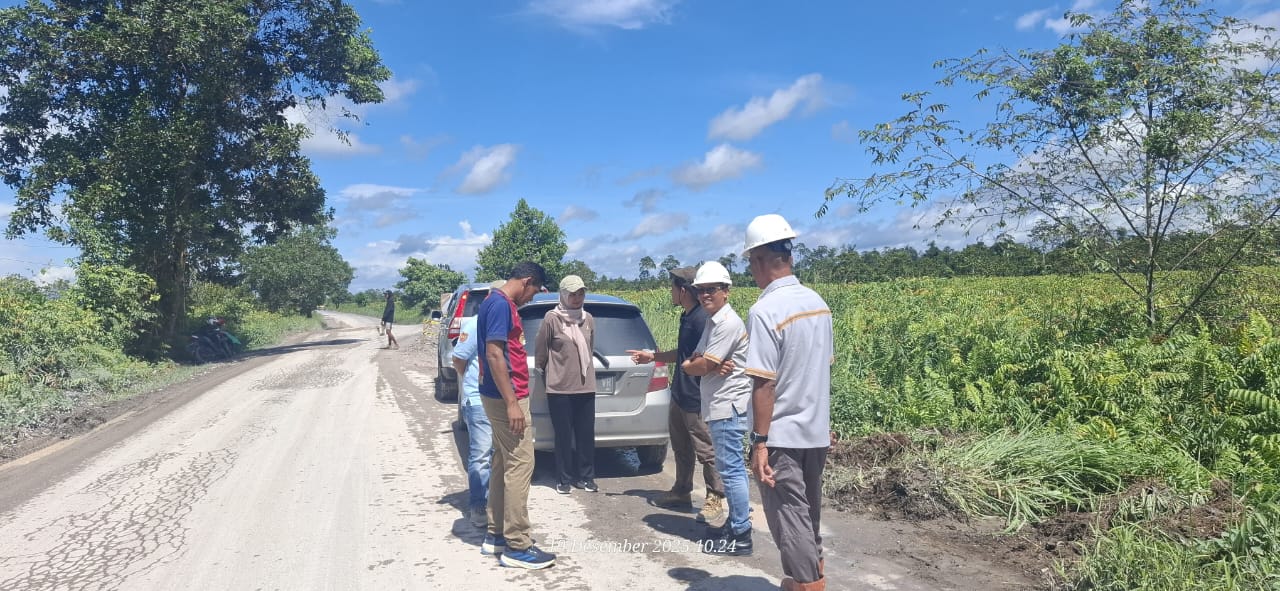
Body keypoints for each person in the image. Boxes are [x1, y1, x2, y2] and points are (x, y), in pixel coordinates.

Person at [743, 214, 834, 591]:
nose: (751, 270)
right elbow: (821, 369)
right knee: (807, 515)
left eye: (750, 262)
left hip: (782, 436)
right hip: (815, 433)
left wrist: (759, 442)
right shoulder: (817, 304)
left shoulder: (765, 310)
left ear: (761, 260)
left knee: (789, 519)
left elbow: (764, 384)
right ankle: (808, 580)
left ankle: (808, 585)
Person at [628, 267, 726, 524]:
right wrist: (653, 357)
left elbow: (710, 358)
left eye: (673, 288)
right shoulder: (688, 316)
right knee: (681, 447)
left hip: (696, 396)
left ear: (683, 291)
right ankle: (682, 491)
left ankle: (715, 497)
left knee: (706, 450)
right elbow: (683, 353)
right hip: (681, 393)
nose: (670, 292)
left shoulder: (702, 320)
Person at [476, 262, 556, 570]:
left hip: (497, 395)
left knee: (502, 462)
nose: (531, 299)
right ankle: (517, 545)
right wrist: (512, 402)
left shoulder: (494, 301)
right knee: (521, 464)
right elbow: (495, 352)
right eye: (533, 292)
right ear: (527, 281)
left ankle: (496, 534)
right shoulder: (500, 304)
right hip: (505, 397)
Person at [682, 260, 754, 557]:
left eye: (711, 289)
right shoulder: (713, 321)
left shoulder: (727, 323)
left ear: (726, 291)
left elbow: (700, 364)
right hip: (719, 405)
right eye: (700, 290)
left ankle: (741, 533)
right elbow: (695, 360)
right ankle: (736, 525)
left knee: (732, 471)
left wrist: (700, 365)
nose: (705, 295)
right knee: (729, 468)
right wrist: (697, 364)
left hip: (728, 406)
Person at [534, 275, 599, 495]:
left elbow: (589, 348)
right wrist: (542, 373)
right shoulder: (552, 318)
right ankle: (563, 478)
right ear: (563, 294)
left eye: (581, 293)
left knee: (585, 435)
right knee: (562, 436)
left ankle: (586, 477)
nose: (577, 298)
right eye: (572, 294)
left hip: (585, 386)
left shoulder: (588, 318)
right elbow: (541, 350)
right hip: (559, 387)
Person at [450, 280, 505, 529]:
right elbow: (459, 359)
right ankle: (478, 505)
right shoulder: (473, 324)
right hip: (479, 398)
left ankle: (497, 504)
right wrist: (471, 384)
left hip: (501, 399)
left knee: (499, 455)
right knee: (481, 455)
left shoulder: (508, 323)